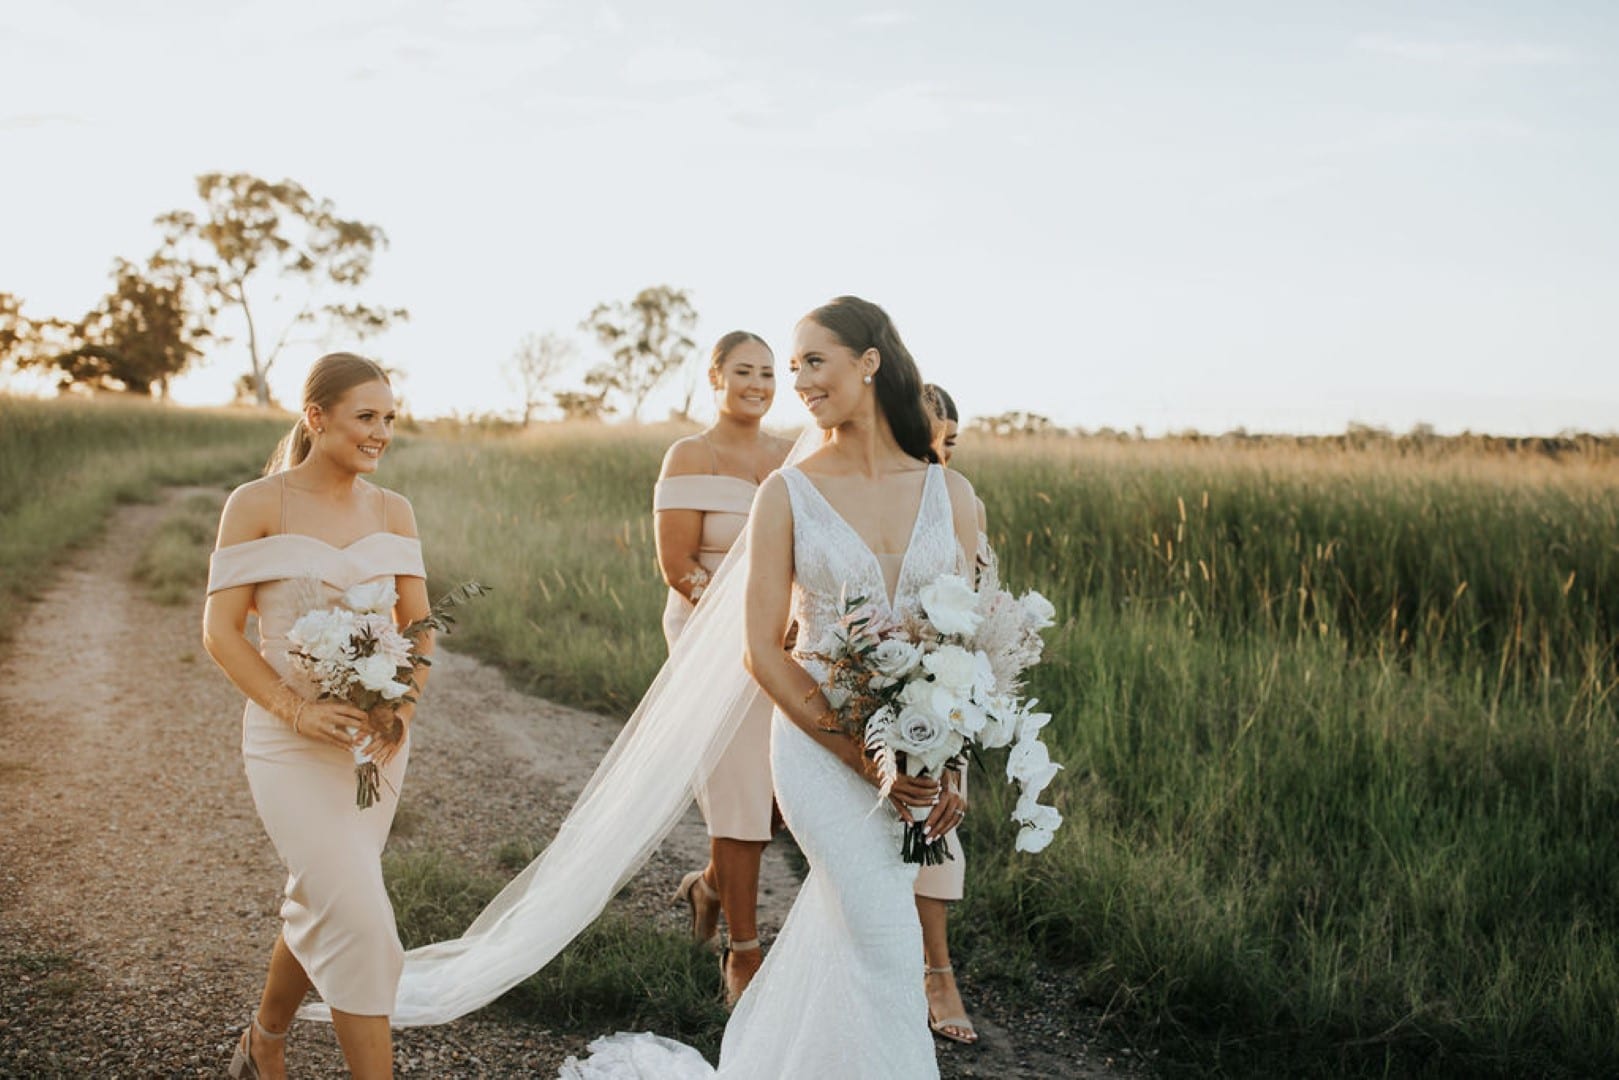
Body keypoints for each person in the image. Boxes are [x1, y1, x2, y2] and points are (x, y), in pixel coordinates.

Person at [203, 353, 430, 1080]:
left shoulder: (394, 510)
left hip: (376, 747)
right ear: (316, 417)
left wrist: (400, 706)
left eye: (389, 418)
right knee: (363, 923)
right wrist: (296, 710)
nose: (381, 432)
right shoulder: (257, 503)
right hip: (288, 744)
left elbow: (421, 626)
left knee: (324, 895)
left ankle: (262, 1042)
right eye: (366, 416)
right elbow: (220, 632)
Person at [653, 331, 792, 1002]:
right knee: (738, 791)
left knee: (771, 802)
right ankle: (743, 951)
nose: (758, 383)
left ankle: (706, 888)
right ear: (715, 376)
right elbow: (677, 564)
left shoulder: (796, 456)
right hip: (713, 639)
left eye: (768, 372)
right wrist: (742, 625)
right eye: (743, 371)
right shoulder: (689, 455)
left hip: (789, 644)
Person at [912, 382, 990, 1045]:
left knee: (935, 820)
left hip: (946, 684)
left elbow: (980, 599)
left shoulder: (964, 500)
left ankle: (938, 971)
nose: (940, 456)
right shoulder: (871, 495)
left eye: (950, 443)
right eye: (926, 439)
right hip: (870, 681)